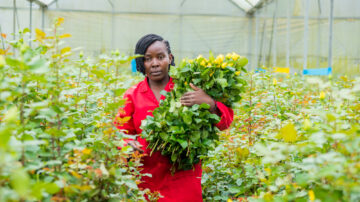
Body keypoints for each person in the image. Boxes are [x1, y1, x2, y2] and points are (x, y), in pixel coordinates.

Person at [114, 34, 233, 202]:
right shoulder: (132, 96)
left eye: (160, 57)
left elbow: (225, 122)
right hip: (147, 182)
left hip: (184, 181)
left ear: (169, 58)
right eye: (148, 59)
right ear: (141, 63)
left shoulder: (188, 87)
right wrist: (127, 145)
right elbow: (119, 134)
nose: (155, 63)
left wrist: (210, 103)